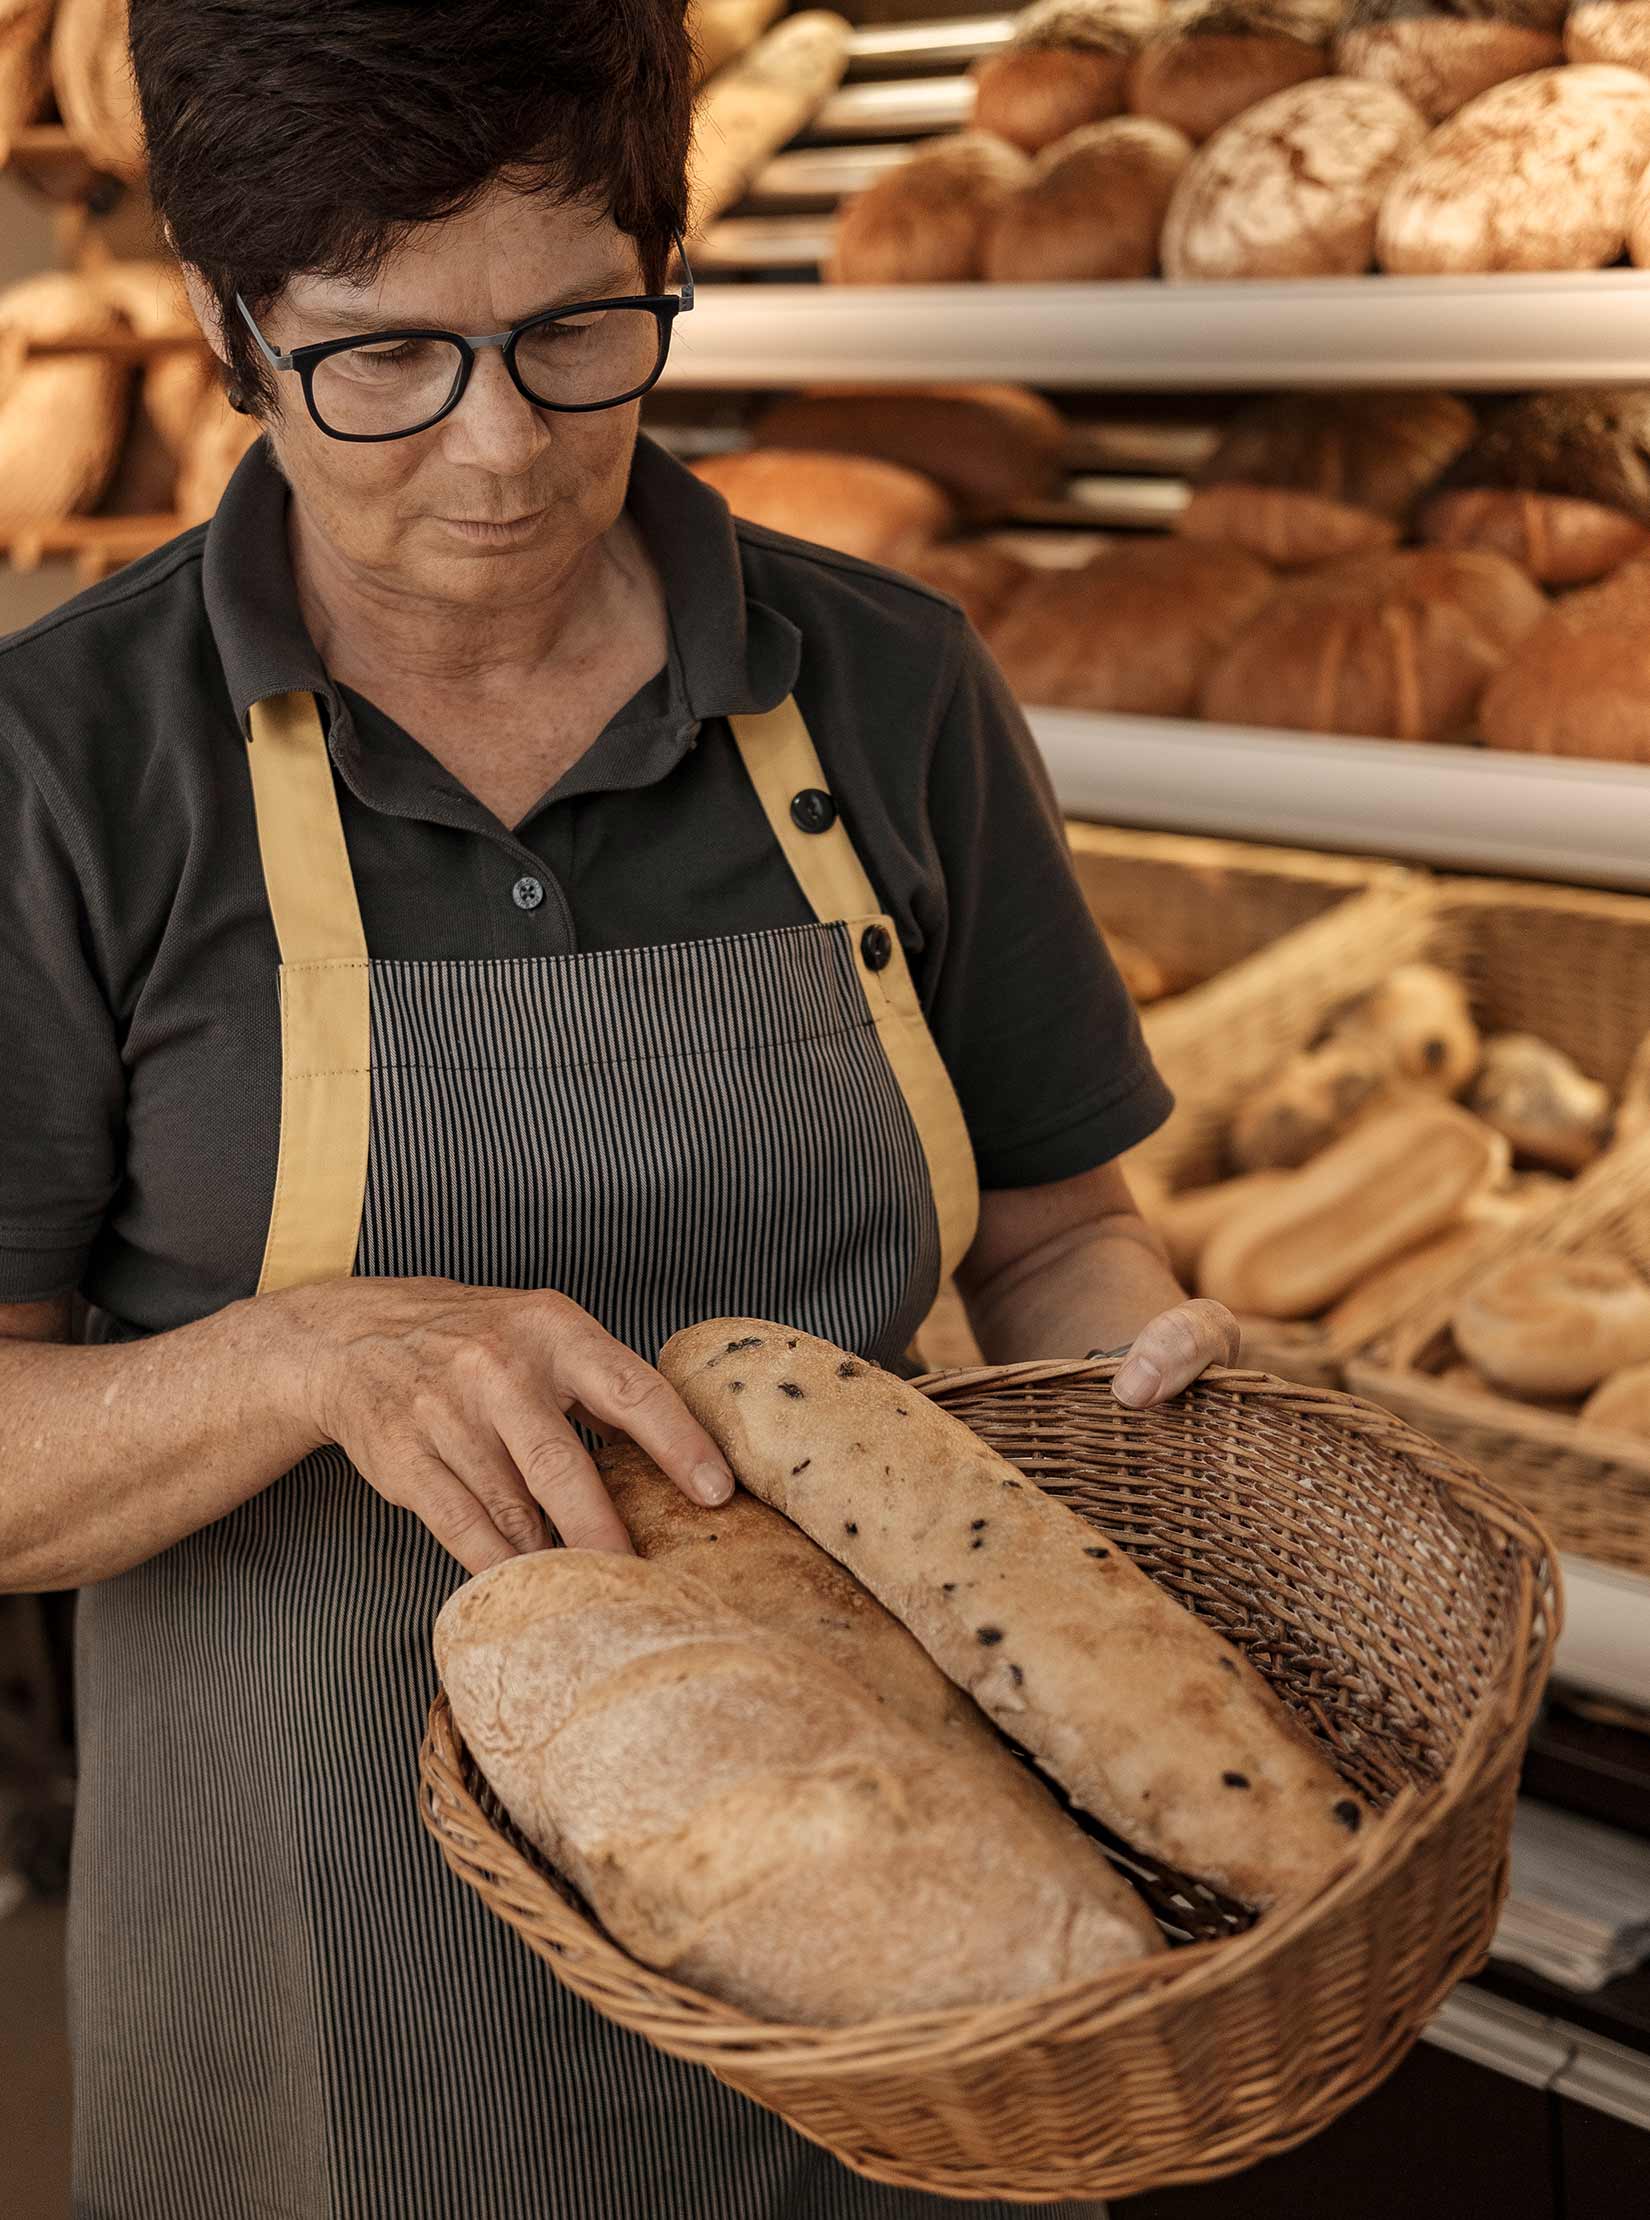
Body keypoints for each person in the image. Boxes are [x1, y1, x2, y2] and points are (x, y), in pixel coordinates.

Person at [0, 3, 1238, 2214]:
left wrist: (1152, 1374)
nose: (498, 453)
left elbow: (1060, 1231)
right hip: (333, 1994)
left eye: (577, 331)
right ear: (224, 332)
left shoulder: (884, 685)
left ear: (669, 265)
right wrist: (301, 1355)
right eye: (380, 361)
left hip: (912, 1961)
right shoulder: (71, 766)